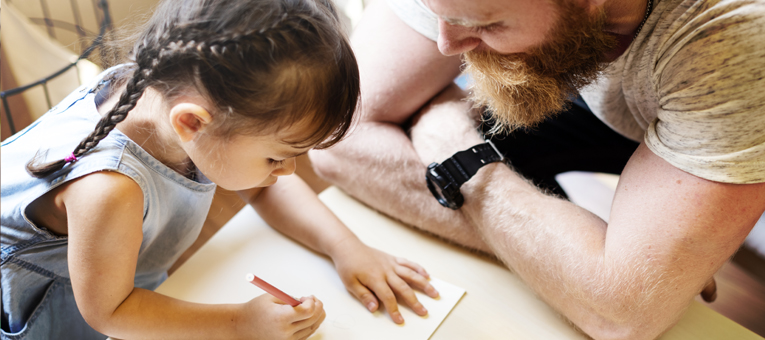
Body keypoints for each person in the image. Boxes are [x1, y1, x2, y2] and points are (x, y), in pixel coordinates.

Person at [308, 0, 765, 338]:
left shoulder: (761, 23)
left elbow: (623, 313)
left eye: (483, 22)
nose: (448, 42)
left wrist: (462, 160)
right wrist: (581, 262)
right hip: (637, 99)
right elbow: (333, 132)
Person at [0, 0, 439, 339]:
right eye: (276, 156)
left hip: (107, 281)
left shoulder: (174, 96)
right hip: (57, 309)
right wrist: (239, 324)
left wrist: (346, 247)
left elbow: (264, 187)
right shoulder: (109, 189)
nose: (286, 172)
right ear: (192, 123)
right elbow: (109, 312)